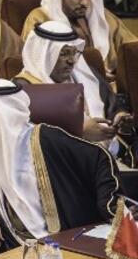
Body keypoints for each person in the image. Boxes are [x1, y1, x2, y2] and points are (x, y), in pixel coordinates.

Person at [0, 79, 119, 254]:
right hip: (13, 245)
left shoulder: (46, 139)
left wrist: (109, 206)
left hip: (64, 240)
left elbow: (98, 159)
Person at [14, 21, 135, 163]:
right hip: (64, 167)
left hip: (109, 157)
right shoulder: (24, 88)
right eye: (63, 54)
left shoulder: (85, 74)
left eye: (74, 53)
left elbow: (111, 104)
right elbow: (27, 140)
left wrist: (120, 119)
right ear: (44, 54)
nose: (72, 61)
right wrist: (80, 132)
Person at [22, 0, 137, 80]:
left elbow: (132, 46)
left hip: (114, 85)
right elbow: (38, 63)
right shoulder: (40, 19)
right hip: (67, 89)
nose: (85, 3)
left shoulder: (101, 16)